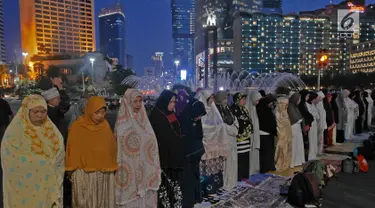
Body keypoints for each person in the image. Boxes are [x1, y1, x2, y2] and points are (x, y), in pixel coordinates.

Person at [1, 95, 65, 207]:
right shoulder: (14, 132)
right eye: (35, 112)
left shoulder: (52, 130)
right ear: (27, 111)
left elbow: (60, 151)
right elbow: (11, 159)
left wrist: (51, 163)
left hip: (49, 185)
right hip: (24, 188)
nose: (40, 115)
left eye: (43, 111)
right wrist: (41, 162)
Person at [66, 96, 117, 208]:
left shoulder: (105, 126)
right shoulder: (77, 127)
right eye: (96, 112)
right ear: (89, 110)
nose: (100, 116)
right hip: (83, 175)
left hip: (103, 174)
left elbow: (111, 149)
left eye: (103, 112)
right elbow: (72, 150)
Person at [115, 89, 161, 207]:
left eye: (140, 101)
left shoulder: (144, 121)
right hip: (129, 168)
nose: (138, 104)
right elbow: (121, 148)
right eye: (134, 101)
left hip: (145, 168)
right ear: (127, 102)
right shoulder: (122, 124)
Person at [149, 90, 184, 208]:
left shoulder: (171, 114)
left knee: (174, 184)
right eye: (171, 102)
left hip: (174, 157)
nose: (174, 104)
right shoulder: (156, 115)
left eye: (174, 102)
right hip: (163, 158)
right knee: (165, 185)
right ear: (165, 101)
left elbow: (176, 131)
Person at [195, 89, 227, 196]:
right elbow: (202, 128)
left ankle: (215, 188)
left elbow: (220, 124)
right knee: (206, 170)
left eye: (213, 97)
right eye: (211, 98)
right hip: (206, 145)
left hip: (215, 145)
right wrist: (213, 129)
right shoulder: (201, 110)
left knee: (215, 168)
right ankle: (205, 190)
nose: (212, 100)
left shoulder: (214, 110)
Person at [179, 97, 206, 208]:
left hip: (195, 154)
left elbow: (199, 135)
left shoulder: (196, 120)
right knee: (189, 177)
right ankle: (190, 199)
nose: (199, 117)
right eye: (198, 115)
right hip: (187, 155)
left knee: (196, 175)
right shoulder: (184, 120)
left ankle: (196, 196)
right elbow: (184, 137)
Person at [214, 90, 238, 189]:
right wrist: (229, 128)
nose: (226, 100)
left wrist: (232, 127)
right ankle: (225, 184)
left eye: (227, 98)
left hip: (232, 138)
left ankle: (231, 182)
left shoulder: (227, 108)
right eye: (224, 98)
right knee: (225, 163)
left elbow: (235, 121)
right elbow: (220, 125)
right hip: (224, 139)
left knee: (232, 161)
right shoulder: (216, 111)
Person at [231, 92, 253, 180]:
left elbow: (248, 120)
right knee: (240, 157)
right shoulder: (234, 109)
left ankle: (245, 175)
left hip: (246, 137)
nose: (244, 101)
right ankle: (239, 176)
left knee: (245, 156)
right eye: (242, 99)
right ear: (237, 100)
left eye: (244, 99)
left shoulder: (244, 109)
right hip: (239, 137)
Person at [257, 95, 277, 173]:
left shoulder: (266, 110)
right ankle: (264, 168)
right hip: (264, 134)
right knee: (265, 153)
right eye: (270, 103)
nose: (271, 104)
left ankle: (268, 166)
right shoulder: (263, 111)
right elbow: (266, 123)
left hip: (268, 134)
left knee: (268, 153)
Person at [245, 90, 262, 175]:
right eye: (257, 100)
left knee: (255, 152)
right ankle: (250, 170)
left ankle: (255, 169)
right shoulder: (247, 109)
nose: (258, 102)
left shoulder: (254, 108)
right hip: (250, 136)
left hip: (255, 135)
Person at [274, 96, 292, 171]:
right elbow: (280, 124)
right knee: (281, 148)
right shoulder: (277, 113)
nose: (286, 106)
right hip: (281, 134)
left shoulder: (285, 112)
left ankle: (285, 163)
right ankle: (280, 164)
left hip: (287, 133)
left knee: (287, 148)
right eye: (285, 104)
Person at [288, 93, 305, 168]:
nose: (300, 100)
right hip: (293, 127)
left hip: (297, 128)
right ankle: (292, 162)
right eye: (299, 99)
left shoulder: (295, 107)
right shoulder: (290, 106)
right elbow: (293, 118)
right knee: (294, 145)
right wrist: (300, 120)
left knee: (299, 144)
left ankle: (298, 161)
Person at [298, 90, 314, 161]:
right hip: (303, 126)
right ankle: (304, 158)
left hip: (306, 125)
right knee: (305, 142)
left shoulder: (303, 103)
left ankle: (305, 157)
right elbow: (304, 114)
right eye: (307, 96)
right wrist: (310, 118)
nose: (308, 98)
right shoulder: (300, 104)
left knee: (306, 142)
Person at [306, 92, 319, 160]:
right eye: (315, 99)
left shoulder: (312, 105)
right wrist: (314, 115)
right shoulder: (306, 104)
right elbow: (310, 114)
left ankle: (314, 153)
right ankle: (310, 155)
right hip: (311, 124)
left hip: (315, 124)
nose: (315, 100)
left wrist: (314, 115)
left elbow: (317, 114)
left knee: (314, 139)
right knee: (311, 139)